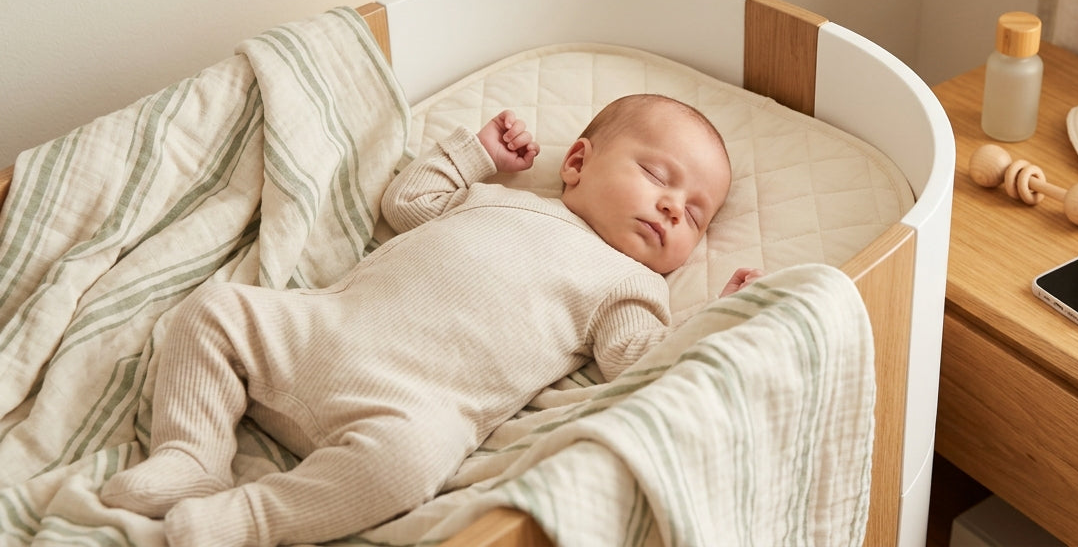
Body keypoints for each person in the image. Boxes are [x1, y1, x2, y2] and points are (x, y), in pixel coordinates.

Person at [100, 93, 764, 547]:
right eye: (656, 174)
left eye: (697, 213)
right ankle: (192, 453)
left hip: (410, 407)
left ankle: (251, 516)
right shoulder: (494, 198)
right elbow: (408, 202)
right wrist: (477, 154)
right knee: (215, 309)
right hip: (322, 332)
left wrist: (718, 319)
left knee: (410, 465)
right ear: (578, 163)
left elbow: (639, 363)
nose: (674, 207)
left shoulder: (631, 286)